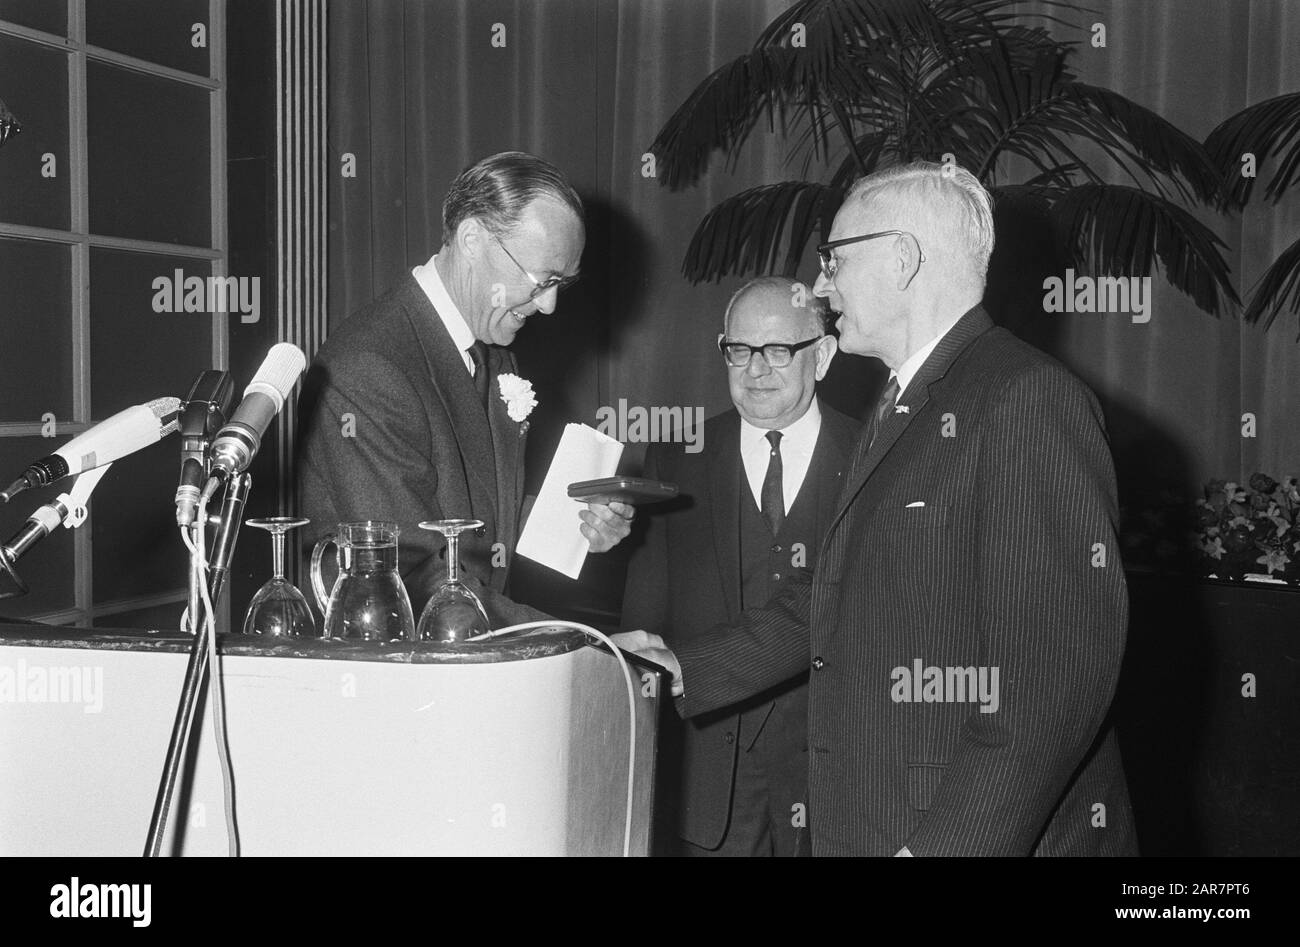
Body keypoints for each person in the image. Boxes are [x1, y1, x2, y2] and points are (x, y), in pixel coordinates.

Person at [615, 160, 1138, 856]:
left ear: (902, 259)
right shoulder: (900, 403)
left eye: (834, 259)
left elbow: (1047, 689)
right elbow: (831, 598)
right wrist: (687, 666)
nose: (822, 285)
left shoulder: (1024, 400)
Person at [298, 152, 631, 626]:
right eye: (542, 280)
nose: (551, 305)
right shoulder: (371, 365)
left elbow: (471, 514)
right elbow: (412, 573)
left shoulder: (491, 350)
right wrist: (576, 641)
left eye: (561, 283)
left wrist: (571, 523)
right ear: (472, 238)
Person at [621, 277, 855, 856]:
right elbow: (643, 621)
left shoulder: (875, 455)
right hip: (704, 793)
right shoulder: (676, 458)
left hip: (840, 789)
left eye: (779, 351)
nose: (756, 370)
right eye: (739, 350)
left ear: (821, 355)